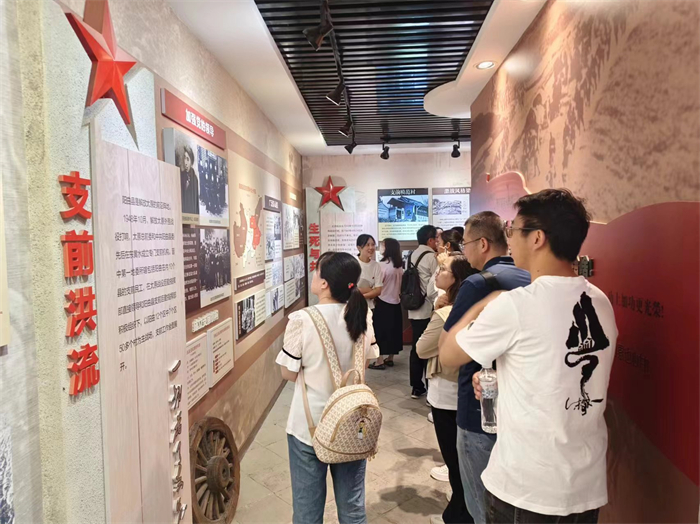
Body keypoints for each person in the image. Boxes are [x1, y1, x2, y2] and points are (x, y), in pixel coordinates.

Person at [441, 189, 617, 523]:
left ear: (537, 238)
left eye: (514, 230)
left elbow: (448, 354)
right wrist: (507, 380)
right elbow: (555, 371)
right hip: (585, 487)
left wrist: (484, 303)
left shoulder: (514, 305)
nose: (509, 239)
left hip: (526, 489)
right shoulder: (600, 301)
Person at [437, 211, 530, 524]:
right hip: (519, 408)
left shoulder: (479, 284)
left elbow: (448, 348)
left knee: (481, 505)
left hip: (479, 409)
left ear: (483, 244)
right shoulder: (528, 277)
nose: (464, 252)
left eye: (465, 244)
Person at [277, 251, 378, 524]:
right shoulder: (362, 314)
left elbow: (288, 372)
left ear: (324, 283)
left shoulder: (302, 319)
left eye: (316, 270)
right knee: (353, 509)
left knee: (307, 512)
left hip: (309, 427)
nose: (313, 274)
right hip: (352, 425)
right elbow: (364, 365)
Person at [417, 254, 477, 524]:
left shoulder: (445, 315)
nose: (437, 272)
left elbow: (422, 348)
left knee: (455, 460)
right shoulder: (474, 308)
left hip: (447, 392)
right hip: (464, 390)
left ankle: (458, 513)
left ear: (455, 279)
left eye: (443, 269)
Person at [407, 225, 438, 399]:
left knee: (416, 347)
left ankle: (416, 386)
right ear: (430, 240)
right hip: (427, 307)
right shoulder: (431, 256)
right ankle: (429, 387)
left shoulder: (412, 254)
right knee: (428, 348)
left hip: (414, 307)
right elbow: (436, 282)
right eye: (436, 239)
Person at [370, 238, 404, 369]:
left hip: (382, 301)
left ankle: (379, 360)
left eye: (382, 245)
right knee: (394, 331)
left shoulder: (382, 265)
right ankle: (390, 358)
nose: (380, 248)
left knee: (379, 331)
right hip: (396, 302)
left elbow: (377, 284)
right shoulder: (399, 266)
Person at [429, 229, 464, 308]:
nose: (436, 245)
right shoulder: (460, 261)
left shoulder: (451, 263)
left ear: (447, 245)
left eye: (438, 242)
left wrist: (440, 265)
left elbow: (430, 292)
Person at [356, 234, 384, 310]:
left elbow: (378, 291)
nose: (371, 247)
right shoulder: (353, 263)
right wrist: (370, 290)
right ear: (359, 248)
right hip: (354, 305)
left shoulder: (376, 265)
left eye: (373, 245)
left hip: (369, 307)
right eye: (367, 245)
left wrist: (361, 296)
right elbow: (349, 287)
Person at [180, 145, 199, 215]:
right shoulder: (181, 176)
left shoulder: (195, 179)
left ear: (191, 161)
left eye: (188, 159)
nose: (185, 162)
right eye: (184, 158)